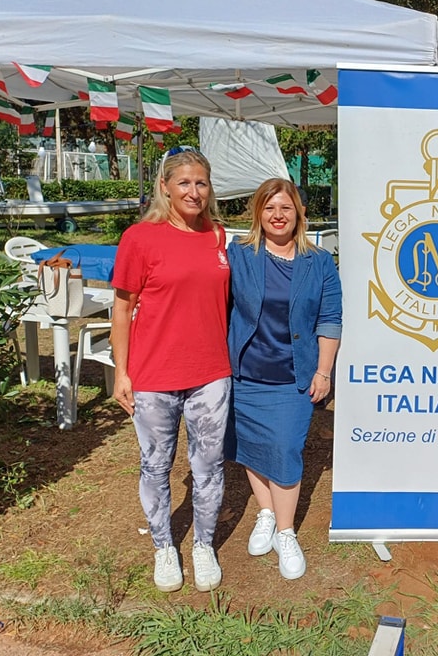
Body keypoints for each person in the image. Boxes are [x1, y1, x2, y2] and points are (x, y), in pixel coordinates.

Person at [110, 146, 231, 593]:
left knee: (209, 466)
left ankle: (203, 544)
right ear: (164, 186)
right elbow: (121, 310)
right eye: (184, 182)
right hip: (154, 375)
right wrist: (122, 373)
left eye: (201, 183)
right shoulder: (140, 238)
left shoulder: (217, 236)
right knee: (156, 465)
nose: (193, 191)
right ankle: (164, 546)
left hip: (211, 372)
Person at [227, 178, 342, 580]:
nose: (277, 215)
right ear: (258, 212)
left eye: (286, 208)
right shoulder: (239, 255)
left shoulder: (319, 262)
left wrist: (324, 371)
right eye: (269, 207)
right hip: (245, 374)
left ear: (299, 214)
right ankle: (265, 512)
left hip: (294, 375)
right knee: (252, 446)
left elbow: (330, 319)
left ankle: (286, 532)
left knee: (286, 450)